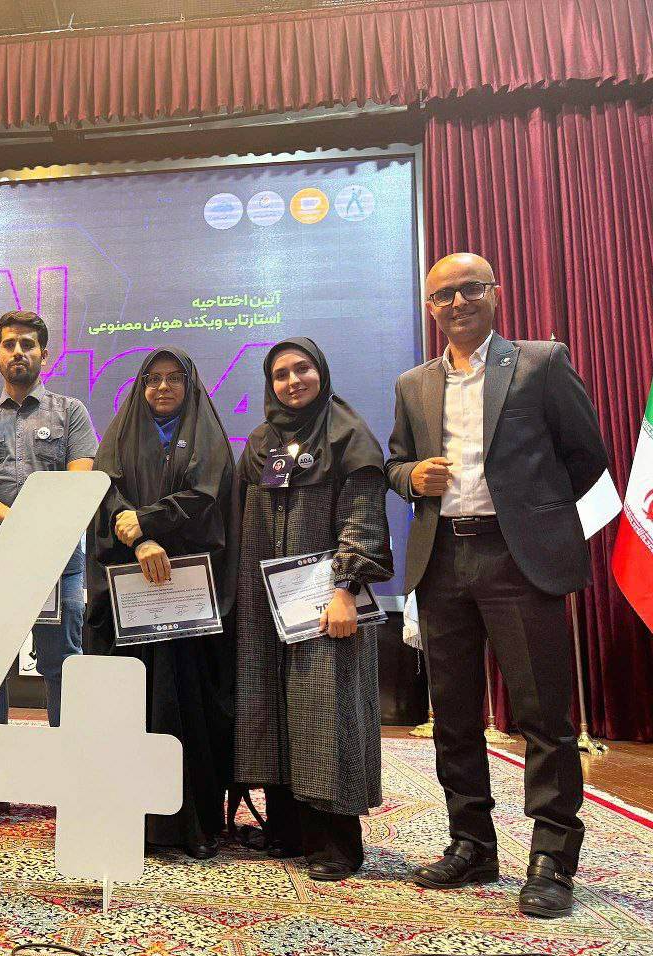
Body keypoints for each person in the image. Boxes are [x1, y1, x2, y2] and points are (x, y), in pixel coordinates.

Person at [386, 253, 609, 919]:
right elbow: (396, 462)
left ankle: (552, 859)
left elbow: (587, 455)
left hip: (518, 559)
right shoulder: (413, 383)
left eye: (469, 289)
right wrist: (409, 477)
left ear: (496, 293)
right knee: (453, 716)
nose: (457, 303)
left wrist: (533, 514)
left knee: (543, 716)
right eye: (443, 295)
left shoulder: (541, 363)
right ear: (430, 308)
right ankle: (472, 844)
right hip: (442, 563)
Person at [233, 337, 393, 880]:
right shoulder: (261, 442)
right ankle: (289, 831)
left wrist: (346, 587)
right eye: (280, 374)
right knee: (274, 711)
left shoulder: (348, 434)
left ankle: (338, 843)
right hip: (266, 605)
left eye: (302, 369)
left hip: (328, 602)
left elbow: (363, 516)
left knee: (328, 713)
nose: (292, 381)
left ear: (321, 372)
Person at [84, 348, 235, 859]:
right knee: (129, 705)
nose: (163, 387)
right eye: (153, 379)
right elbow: (107, 495)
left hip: (187, 600)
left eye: (174, 379)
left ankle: (190, 825)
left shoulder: (208, 436)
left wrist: (149, 522)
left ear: (190, 385)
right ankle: (125, 819)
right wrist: (139, 538)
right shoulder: (120, 434)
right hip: (128, 596)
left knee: (186, 707)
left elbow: (206, 496)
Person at [0, 310, 98, 822]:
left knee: (63, 663)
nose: (19, 352)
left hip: (59, 557)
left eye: (28, 344)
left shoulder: (70, 412)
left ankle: (67, 776)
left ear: (44, 354)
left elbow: (80, 480)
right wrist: (14, 522)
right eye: (9, 344)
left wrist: (36, 527)